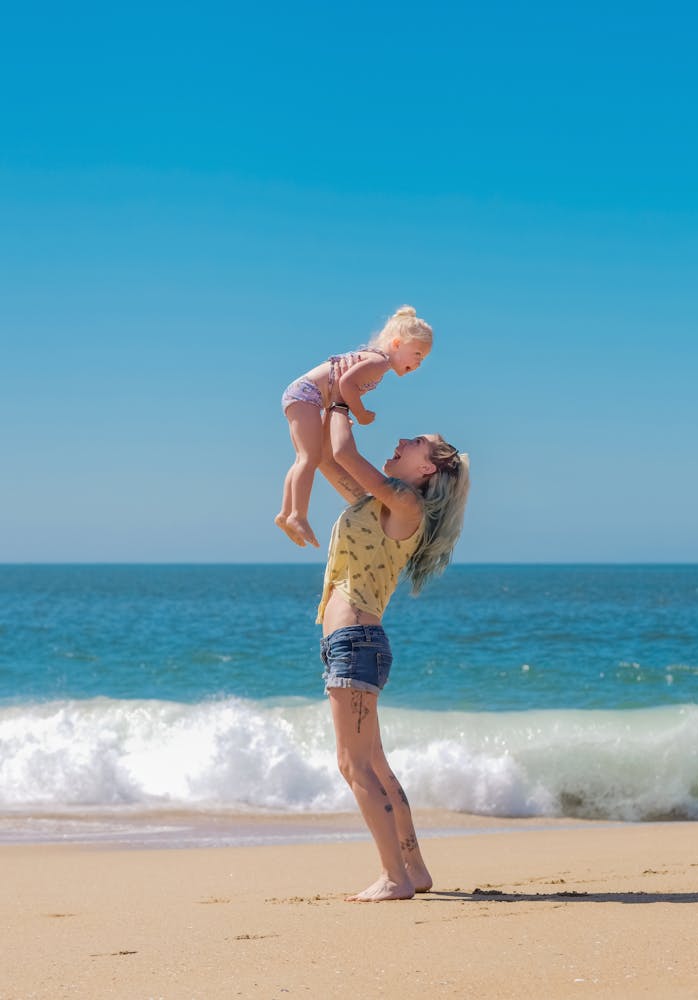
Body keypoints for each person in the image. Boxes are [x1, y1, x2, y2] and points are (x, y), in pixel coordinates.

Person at [316, 399, 469, 901]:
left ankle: (394, 877)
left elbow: (343, 448)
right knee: (374, 764)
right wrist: (312, 402)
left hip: (355, 643)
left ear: (425, 468)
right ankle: (415, 870)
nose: (400, 443)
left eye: (413, 443)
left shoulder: (407, 506)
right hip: (356, 644)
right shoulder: (376, 504)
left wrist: (341, 399)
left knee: (354, 765)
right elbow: (326, 457)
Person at [276, 305, 433, 548]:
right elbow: (346, 383)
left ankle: (286, 513)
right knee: (308, 458)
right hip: (309, 396)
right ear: (397, 344)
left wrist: (337, 413)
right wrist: (359, 414)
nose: (419, 363)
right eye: (418, 354)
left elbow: (342, 387)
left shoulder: (376, 361)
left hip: (306, 395)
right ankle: (298, 515)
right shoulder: (380, 362)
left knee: (303, 459)